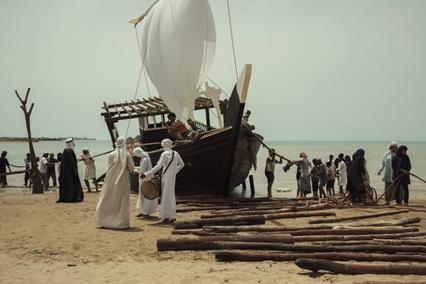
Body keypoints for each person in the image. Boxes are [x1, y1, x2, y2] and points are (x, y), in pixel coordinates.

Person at [141, 138, 184, 223]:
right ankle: (172, 216)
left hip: (166, 176)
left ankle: (165, 217)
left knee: (165, 196)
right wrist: (174, 172)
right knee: (171, 195)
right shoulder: (176, 153)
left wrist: (146, 174)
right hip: (172, 177)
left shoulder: (164, 154)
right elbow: (182, 164)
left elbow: (158, 166)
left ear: (164, 145)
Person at [95, 137, 135, 229]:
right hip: (123, 181)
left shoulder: (111, 154)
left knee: (108, 198)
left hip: (110, 179)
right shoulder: (127, 154)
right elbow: (132, 168)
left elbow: (109, 166)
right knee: (121, 199)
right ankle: (120, 223)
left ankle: (103, 220)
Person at [57, 138, 84, 203]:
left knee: (66, 184)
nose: (74, 145)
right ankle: (73, 197)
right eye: (73, 144)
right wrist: (75, 171)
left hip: (65, 173)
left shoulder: (65, 151)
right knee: (72, 184)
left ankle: (66, 197)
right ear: (71, 144)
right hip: (71, 173)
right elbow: (72, 163)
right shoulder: (70, 151)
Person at [133, 147, 157, 217]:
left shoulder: (144, 160)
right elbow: (143, 168)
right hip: (147, 178)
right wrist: (137, 167)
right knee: (144, 195)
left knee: (144, 195)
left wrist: (134, 170)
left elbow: (142, 171)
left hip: (144, 179)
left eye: (136, 154)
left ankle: (145, 212)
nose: (136, 156)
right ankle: (143, 210)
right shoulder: (146, 157)